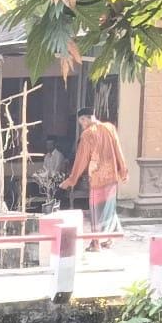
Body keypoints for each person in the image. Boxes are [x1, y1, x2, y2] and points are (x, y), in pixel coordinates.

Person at [60, 106, 128, 251]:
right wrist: (123, 170)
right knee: (109, 208)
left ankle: (96, 243)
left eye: (81, 121)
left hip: (97, 177)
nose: (82, 124)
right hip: (112, 176)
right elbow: (118, 150)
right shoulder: (110, 128)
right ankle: (109, 239)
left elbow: (81, 159)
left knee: (96, 210)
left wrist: (72, 179)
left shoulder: (87, 134)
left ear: (86, 119)